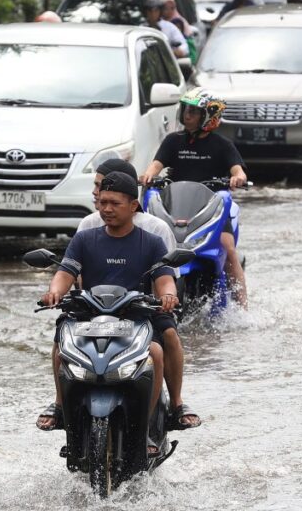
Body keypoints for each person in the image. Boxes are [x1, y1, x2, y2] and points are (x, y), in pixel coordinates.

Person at [36, 172, 200, 456]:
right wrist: (55, 292)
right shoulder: (85, 238)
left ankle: (151, 424)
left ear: (133, 206)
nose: (106, 209)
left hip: (136, 314)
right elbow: (66, 272)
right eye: (102, 202)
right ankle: (62, 407)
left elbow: (163, 278)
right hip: (89, 314)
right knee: (62, 348)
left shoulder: (151, 242)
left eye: (114, 203)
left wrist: (168, 295)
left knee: (156, 353)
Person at [138, 88, 249, 308]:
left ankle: (243, 306)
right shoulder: (172, 141)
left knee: (228, 248)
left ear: (209, 116)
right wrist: (149, 175)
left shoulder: (222, 145)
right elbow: (155, 166)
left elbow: (239, 171)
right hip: (175, 207)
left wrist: (237, 178)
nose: (187, 115)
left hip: (210, 210)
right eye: (186, 110)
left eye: (194, 112)